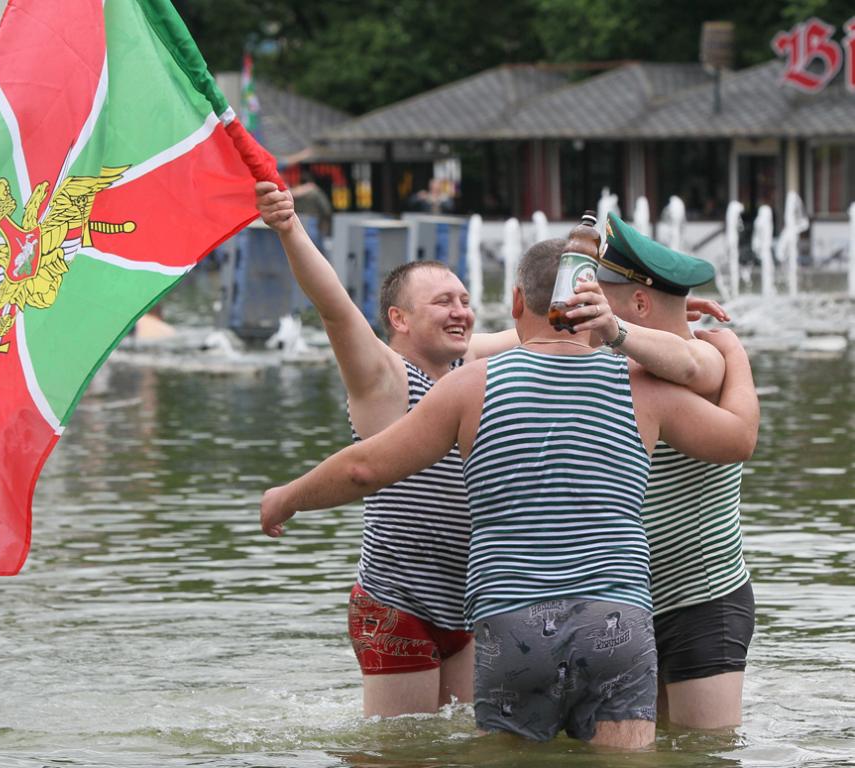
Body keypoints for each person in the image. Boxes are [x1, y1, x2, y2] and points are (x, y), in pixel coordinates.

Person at [258, 238, 759, 748]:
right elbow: (738, 438)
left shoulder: (469, 385)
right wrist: (719, 343)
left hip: (512, 624)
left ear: (516, 303)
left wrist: (290, 495)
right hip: (617, 622)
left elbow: (366, 468)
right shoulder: (641, 386)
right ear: (593, 307)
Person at [254, 180, 522, 718]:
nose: (462, 312)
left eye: (466, 302)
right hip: (398, 602)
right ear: (399, 319)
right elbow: (334, 307)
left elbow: (542, 332)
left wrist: (659, 320)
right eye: (444, 302)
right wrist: (289, 227)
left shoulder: (468, 368)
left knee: (458, 752)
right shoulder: (385, 376)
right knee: (399, 754)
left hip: (463, 602)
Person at [572, 214, 757, 729]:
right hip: (629, 600)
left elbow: (690, 365)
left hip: (702, 598)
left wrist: (619, 329)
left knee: (705, 753)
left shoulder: (708, 355)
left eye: (602, 294)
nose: (591, 303)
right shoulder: (618, 355)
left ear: (637, 304)